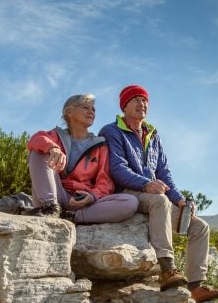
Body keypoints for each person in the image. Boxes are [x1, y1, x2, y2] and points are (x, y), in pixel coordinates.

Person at [99, 84, 218, 303]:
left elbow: (164, 173)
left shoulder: (153, 135)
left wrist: (179, 200)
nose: (143, 104)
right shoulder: (111, 131)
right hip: (128, 194)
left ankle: (196, 286)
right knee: (160, 201)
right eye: (137, 100)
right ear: (124, 105)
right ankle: (167, 269)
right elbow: (117, 169)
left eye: (145, 100)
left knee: (200, 226)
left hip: (154, 197)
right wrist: (146, 184)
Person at [24, 94, 139, 223]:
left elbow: (105, 181)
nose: (91, 112)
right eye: (85, 107)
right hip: (57, 194)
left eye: (93, 109)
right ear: (69, 112)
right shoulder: (56, 135)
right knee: (38, 150)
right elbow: (36, 139)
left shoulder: (100, 144)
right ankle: (50, 208)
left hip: (84, 201)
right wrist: (52, 148)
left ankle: (72, 217)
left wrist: (92, 196)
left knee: (130, 202)